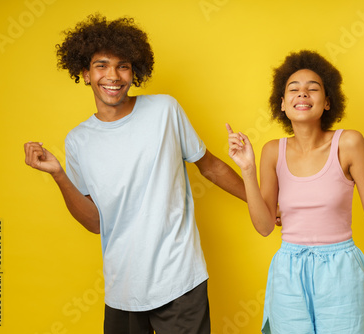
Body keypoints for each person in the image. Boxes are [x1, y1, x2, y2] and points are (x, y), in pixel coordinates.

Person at [24, 14, 246, 334]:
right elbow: (95, 223)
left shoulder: (164, 110)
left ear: (134, 72)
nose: (112, 75)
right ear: (85, 73)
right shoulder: (78, 140)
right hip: (123, 287)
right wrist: (58, 174)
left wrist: (263, 204)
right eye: (101, 65)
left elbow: (210, 166)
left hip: (180, 279)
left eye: (123, 65)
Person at [227, 50, 364, 334]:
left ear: (327, 102)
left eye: (312, 89)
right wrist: (248, 170)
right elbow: (264, 227)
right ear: (283, 103)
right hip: (288, 271)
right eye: (294, 89)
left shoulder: (349, 143)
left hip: (341, 270)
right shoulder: (271, 152)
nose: (303, 94)